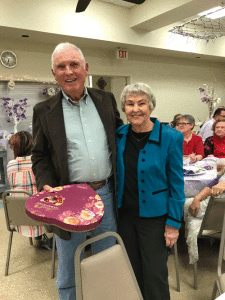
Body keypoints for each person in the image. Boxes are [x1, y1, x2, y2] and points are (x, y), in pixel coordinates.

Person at [31, 42, 123, 300]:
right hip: (68, 198)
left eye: (74, 64)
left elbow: (119, 138)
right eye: (61, 66)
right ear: (53, 72)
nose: (69, 71)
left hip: (105, 192)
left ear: (86, 68)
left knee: (107, 258)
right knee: (70, 268)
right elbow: (39, 155)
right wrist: (46, 184)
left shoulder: (106, 99)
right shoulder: (43, 110)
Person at [116, 83, 185, 300]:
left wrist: (173, 224)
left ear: (151, 107)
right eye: (130, 104)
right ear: (124, 108)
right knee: (131, 271)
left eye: (141, 103)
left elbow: (177, 183)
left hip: (155, 219)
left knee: (155, 275)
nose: (135, 109)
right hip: (125, 217)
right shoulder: (120, 134)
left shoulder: (171, 137)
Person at [7, 131, 46, 247]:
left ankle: (38, 237)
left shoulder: (10, 165)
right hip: (41, 221)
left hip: (18, 220)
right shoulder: (38, 164)